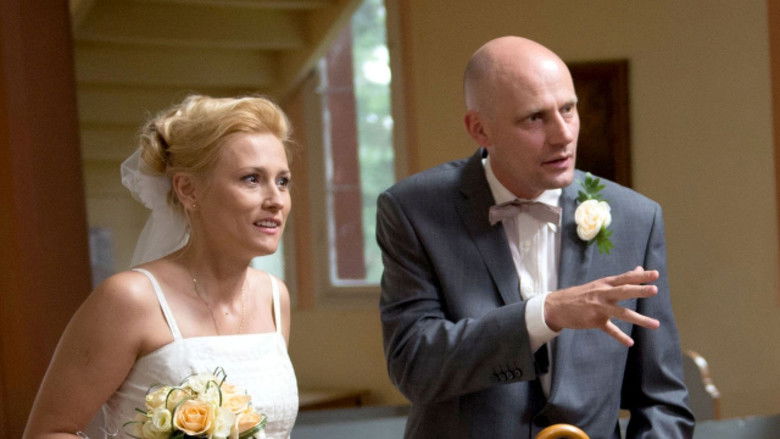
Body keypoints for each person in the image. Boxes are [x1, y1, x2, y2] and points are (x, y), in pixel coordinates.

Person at [376, 36, 694, 438]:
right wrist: (545, 314)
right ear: (480, 129)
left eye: (568, 109)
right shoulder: (412, 210)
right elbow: (414, 366)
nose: (563, 135)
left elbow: (662, 401)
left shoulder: (635, 217)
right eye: (534, 118)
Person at [23, 95, 298, 438]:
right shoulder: (130, 299)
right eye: (251, 179)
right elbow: (47, 432)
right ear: (188, 189)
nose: (276, 200)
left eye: (283, 181)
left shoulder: (274, 296)